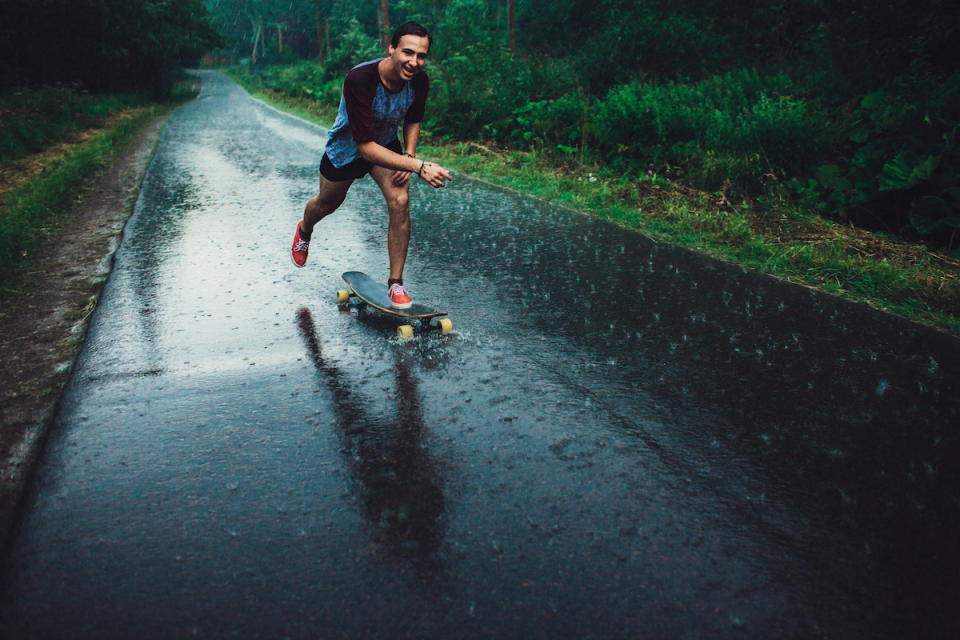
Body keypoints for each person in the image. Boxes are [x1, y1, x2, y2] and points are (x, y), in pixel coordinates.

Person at [291, 21, 452, 309]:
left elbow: (413, 119)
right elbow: (365, 148)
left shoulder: (419, 81)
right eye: (407, 52)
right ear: (391, 48)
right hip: (347, 150)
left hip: (387, 145)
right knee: (326, 204)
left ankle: (396, 284)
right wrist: (418, 167)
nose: (414, 62)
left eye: (421, 56)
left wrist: (411, 156)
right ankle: (305, 229)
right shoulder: (360, 79)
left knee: (400, 200)